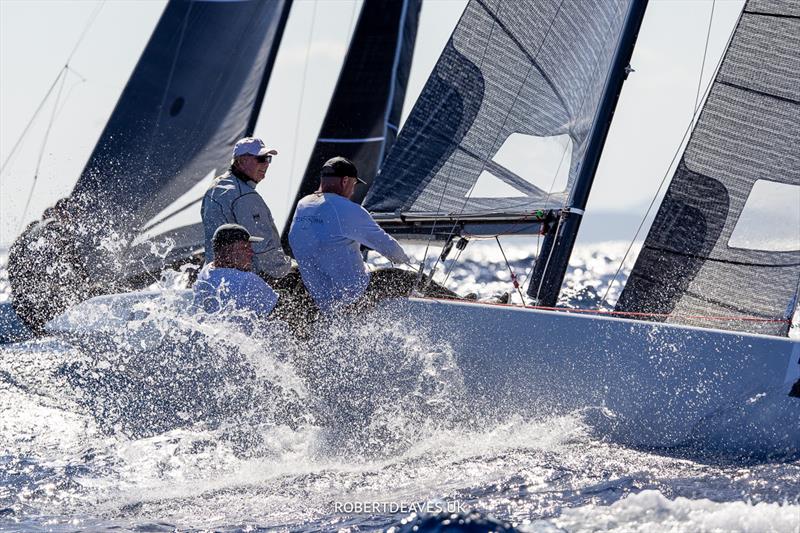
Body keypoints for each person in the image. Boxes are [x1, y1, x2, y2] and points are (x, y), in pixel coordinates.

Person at [288, 156, 457, 313]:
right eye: (353, 185)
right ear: (345, 181)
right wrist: (403, 259)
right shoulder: (346, 208)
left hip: (320, 301)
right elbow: (389, 247)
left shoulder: (303, 206)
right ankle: (459, 303)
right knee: (409, 279)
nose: (352, 192)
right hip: (354, 297)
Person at [201, 137, 292, 282]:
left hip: (214, 275)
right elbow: (263, 246)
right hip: (243, 279)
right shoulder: (245, 196)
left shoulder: (215, 187)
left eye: (268, 159)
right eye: (261, 159)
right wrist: (285, 271)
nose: (267, 164)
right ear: (241, 161)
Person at [193, 224, 279, 317]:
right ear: (227, 251)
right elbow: (280, 313)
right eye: (245, 248)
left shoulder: (206, 271)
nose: (251, 253)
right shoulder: (246, 280)